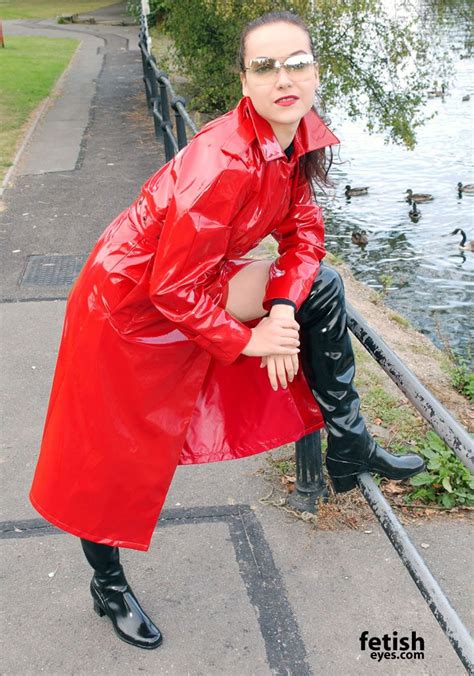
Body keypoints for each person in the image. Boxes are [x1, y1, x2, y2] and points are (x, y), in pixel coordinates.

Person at [29, 10, 425, 650]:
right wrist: (247, 341)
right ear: (244, 82)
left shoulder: (294, 140)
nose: (283, 77)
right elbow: (170, 287)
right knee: (108, 456)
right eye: (265, 66)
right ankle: (107, 584)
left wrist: (281, 310)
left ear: (317, 72)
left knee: (317, 287)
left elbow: (306, 239)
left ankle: (350, 443)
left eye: (296, 61)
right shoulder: (225, 161)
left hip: (183, 284)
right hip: (123, 308)